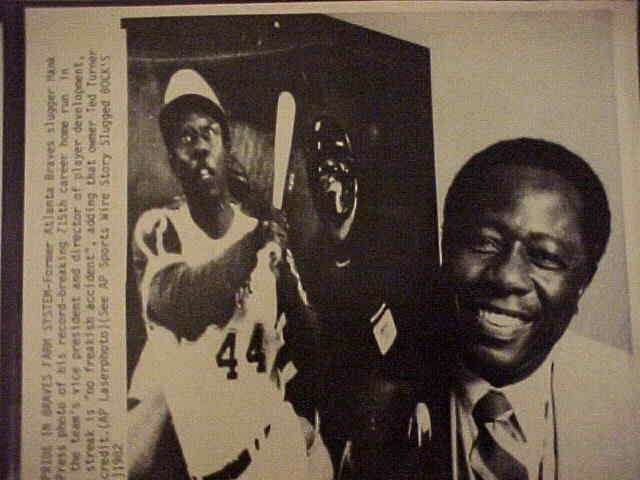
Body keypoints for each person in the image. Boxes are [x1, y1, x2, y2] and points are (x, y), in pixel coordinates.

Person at [127, 69, 331, 480]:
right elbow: (179, 303)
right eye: (185, 138)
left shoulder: (259, 233)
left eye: (209, 133)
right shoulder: (160, 229)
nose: (200, 146)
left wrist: (281, 271)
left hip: (281, 447)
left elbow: (311, 341)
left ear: (226, 145)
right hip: (221, 470)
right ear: (172, 160)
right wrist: (254, 246)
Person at [418, 138, 637, 479]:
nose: (507, 277)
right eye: (484, 242)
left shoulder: (628, 402)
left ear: (583, 282)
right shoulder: (371, 398)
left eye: (545, 256)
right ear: (446, 246)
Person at [291, 116, 428, 479]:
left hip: (396, 400)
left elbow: (423, 323)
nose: (330, 178)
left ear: (354, 174)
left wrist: (421, 395)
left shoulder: (392, 239)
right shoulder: (308, 258)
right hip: (341, 408)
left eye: (338, 167)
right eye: (321, 171)